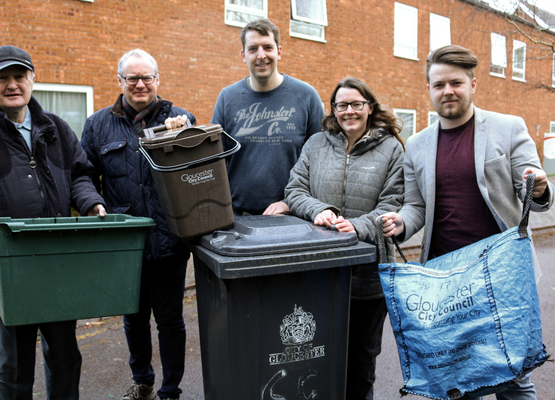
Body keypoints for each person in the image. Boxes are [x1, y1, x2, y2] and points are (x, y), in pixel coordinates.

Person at [381, 45, 554, 399]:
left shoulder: (508, 128)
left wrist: (538, 187)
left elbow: (535, 197)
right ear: (428, 89)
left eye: (456, 83)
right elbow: (416, 206)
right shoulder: (416, 145)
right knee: (456, 378)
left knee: (514, 376)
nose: (448, 91)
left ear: (473, 84)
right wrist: (400, 222)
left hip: (501, 274)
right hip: (446, 281)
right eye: (439, 84)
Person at [0, 45, 106, 399]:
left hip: (58, 265)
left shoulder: (56, 128)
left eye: (19, 76)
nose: (12, 84)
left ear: (32, 79)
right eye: (2, 77)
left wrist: (90, 203)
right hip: (9, 270)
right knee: (14, 366)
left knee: (66, 356)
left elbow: (80, 175)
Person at [81, 48, 195, 400]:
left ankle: (171, 389)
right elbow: (84, 175)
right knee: (134, 319)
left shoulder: (182, 118)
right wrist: (93, 203)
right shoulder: (98, 124)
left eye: (147, 77)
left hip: (170, 241)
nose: (140, 84)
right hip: (126, 244)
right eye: (132, 78)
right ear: (121, 82)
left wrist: (184, 135)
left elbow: (199, 173)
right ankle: (143, 380)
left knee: (171, 322)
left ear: (158, 80)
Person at [285, 77, 405, 400]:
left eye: (356, 104)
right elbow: (294, 190)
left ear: (369, 108)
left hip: (368, 280)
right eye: (342, 105)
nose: (349, 111)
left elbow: (392, 205)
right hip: (318, 278)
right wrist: (318, 209)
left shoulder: (392, 149)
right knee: (315, 361)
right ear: (333, 109)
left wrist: (358, 226)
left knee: (361, 366)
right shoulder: (316, 144)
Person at [211, 18, 325, 216]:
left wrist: (292, 201)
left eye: (267, 47)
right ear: (243, 55)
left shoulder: (306, 96)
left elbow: (321, 161)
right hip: (237, 217)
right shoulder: (227, 98)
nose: (261, 55)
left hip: (294, 216)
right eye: (253, 48)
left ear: (279, 52)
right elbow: (213, 161)